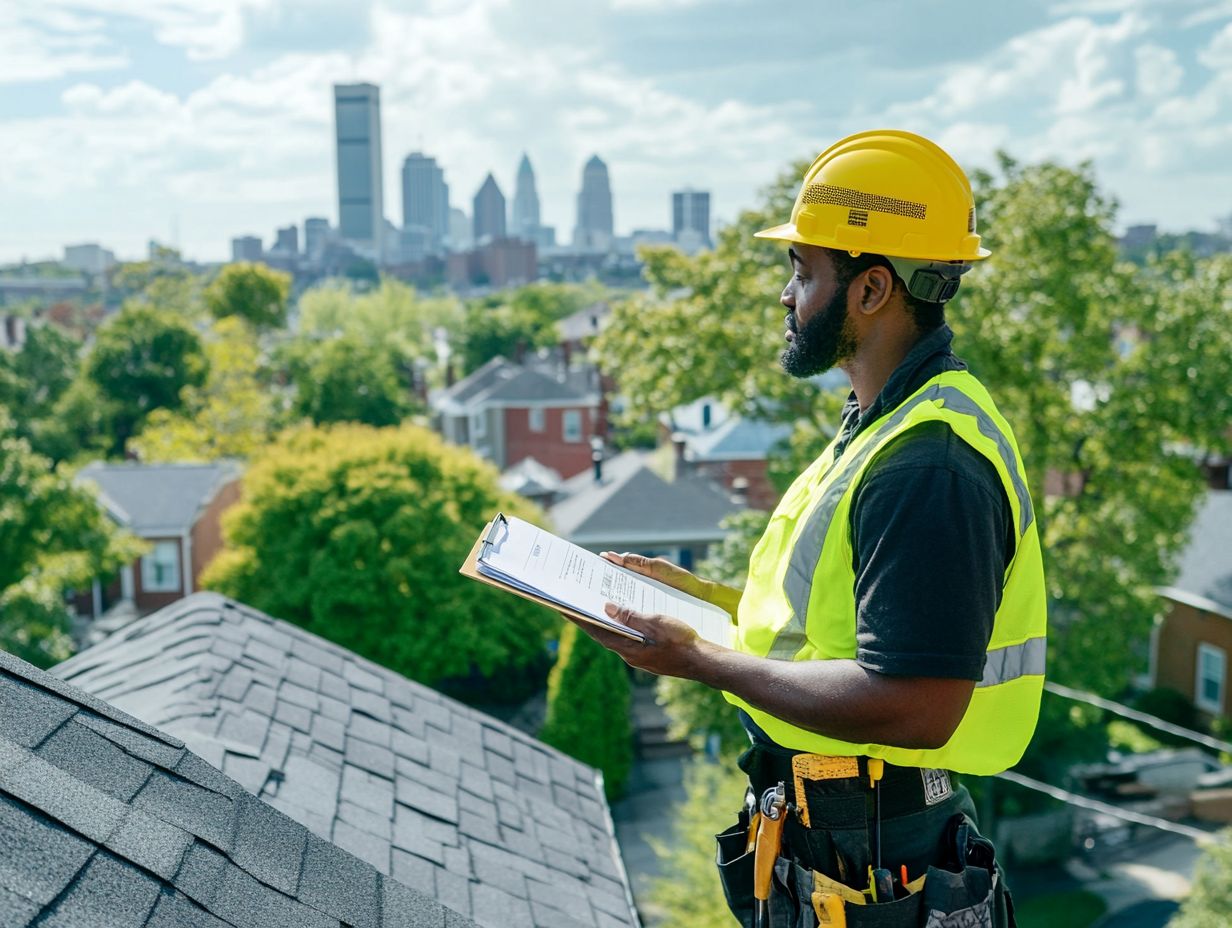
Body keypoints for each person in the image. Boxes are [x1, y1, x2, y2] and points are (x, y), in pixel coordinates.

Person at [566, 130, 1046, 927]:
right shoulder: (882, 425)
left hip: (877, 858)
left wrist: (704, 663)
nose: (786, 296)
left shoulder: (929, 464)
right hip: (842, 841)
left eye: (803, 272)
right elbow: (839, 626)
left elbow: (915, 702)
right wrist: (703, 605)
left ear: (871, 290)